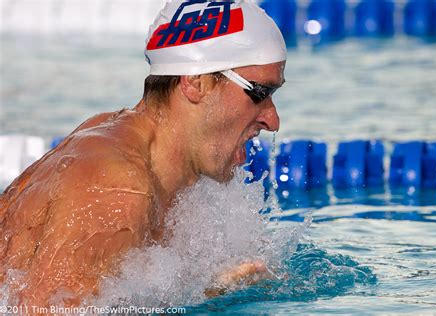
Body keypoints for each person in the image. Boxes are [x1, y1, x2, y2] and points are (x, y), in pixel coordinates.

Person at [0, 0, 286, 307]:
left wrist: (208, 291)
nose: (272, 120)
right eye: (259, 93)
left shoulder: (126, 143)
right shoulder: (115, 188)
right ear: (195, 82)